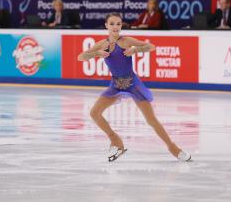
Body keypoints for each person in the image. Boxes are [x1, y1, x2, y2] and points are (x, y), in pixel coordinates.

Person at [77, 12, 191, 162]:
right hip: (116, 86)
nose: (115, 27)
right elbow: (81, 57)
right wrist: (97, 53)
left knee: (151, 120)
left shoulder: (126, 41)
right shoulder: (102, 45)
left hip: (133, 85)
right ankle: (115, 140)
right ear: (106, 26)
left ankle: (173, 148)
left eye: (118, 23)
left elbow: (151, 47)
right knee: (94, 113)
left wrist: (135, 50)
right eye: (112, 24)